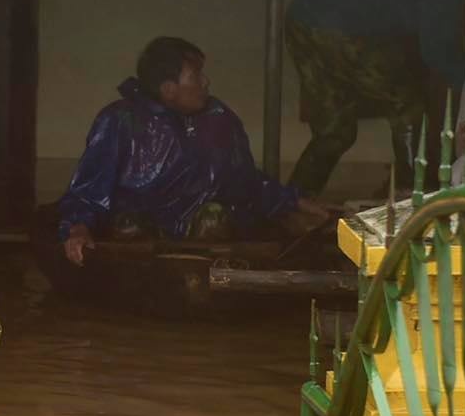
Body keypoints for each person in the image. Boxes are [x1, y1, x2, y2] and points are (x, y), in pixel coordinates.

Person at [58, 37, 326, 262]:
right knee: (129, 228)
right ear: (168, 89)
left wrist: (293, 201)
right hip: (140, 240)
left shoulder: (219, 118)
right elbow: (88, 192)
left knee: (215, 220)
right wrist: (77, 229)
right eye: (196, 75)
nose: (206, 82)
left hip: (204, 241)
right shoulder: (120, 122)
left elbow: (245, 182)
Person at [284, 0, 465, 195]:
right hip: (339, 28)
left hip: (302, 17)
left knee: (336, 130)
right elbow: (436, 51)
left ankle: (294, 203)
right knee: (407, 104)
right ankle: (410, 194)